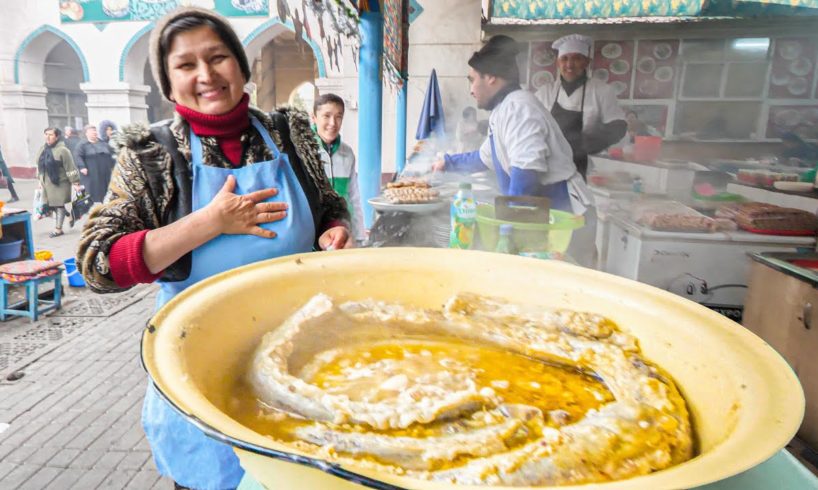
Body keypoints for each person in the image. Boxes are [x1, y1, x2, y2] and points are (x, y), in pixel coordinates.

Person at [76, 7, 352, 490]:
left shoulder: (290, 132)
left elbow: (328, 204)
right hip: (200, 367)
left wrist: (335, 228)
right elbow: (99, 264)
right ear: (167, 83)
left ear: (241, 67)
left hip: (301, 359)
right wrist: (209, 223)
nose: (206, 75)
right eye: (185, 65)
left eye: (218, 57)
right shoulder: (153, 156)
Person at [431, 35, 596, 267]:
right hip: (543, 216)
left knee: (567, 292)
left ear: (490, 78)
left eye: (472, 80)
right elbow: (484, 157)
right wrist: (447, 163)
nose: (470, 90)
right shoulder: (502, 110)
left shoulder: (519, 107)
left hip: (565, 219)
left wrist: (506, 230)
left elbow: (526, 172)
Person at [535, 34, 627, 180]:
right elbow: (530, 126)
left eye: (576, 58)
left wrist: (589, 144)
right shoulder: (545, 92)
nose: (569, 65)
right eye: (564, 59)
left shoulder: (601, 91)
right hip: (548, 167)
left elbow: (618, 126)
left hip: (582, 167)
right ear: (558, 63)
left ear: (587, 62)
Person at [311, 93, 366, 242]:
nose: (333, 123)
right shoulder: (304, 152)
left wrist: (360, 235)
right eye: (326, 116)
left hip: (342, 230)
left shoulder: (347, 153)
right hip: (314, 233)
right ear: (314, 118)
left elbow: (354, 197)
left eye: (338, 116)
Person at [36, 127, 81, 237]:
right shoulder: (42, 149)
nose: (47, 136)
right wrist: (39, 180)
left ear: (56, 137)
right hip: (46, 183)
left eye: (51, 134)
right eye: (46, 134)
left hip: (60, 183)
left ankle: (58, 229)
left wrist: (75, 182)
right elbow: (39, 166)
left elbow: (70, 167)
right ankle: (68, 215)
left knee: (58, 205)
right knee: (51, 205)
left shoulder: (63, 150)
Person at [74, 124, 116, 203]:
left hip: (105, 173)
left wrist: (115, 167)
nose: (94, 132)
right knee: (89, 193)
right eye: (91, 131)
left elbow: (112, 155)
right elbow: (78, 156)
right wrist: (82, 167)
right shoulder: (82, 145)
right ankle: (87, 209)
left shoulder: (104, 144)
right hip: (90, 173)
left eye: (95, 130)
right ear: (86, 133)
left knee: (106, 192)